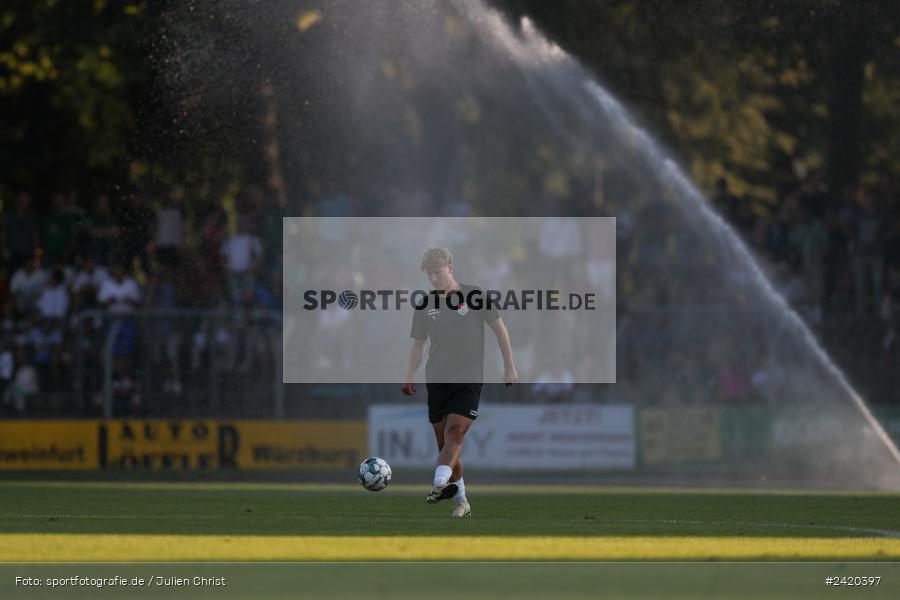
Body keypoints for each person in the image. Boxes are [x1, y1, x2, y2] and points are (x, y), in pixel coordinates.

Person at [402, 246, 518, 518]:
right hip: (437, 380)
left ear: (450, 268)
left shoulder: (474, 296)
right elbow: (417, 346)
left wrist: (509, 365)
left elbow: (500, 330)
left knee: (456, 433)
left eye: (438, 272)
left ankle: (439, 484)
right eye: (429, 274)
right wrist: (408, 375)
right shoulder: (425, 305)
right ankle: (462, 501)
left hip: (468, 380)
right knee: (445, 446)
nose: (433, 279)